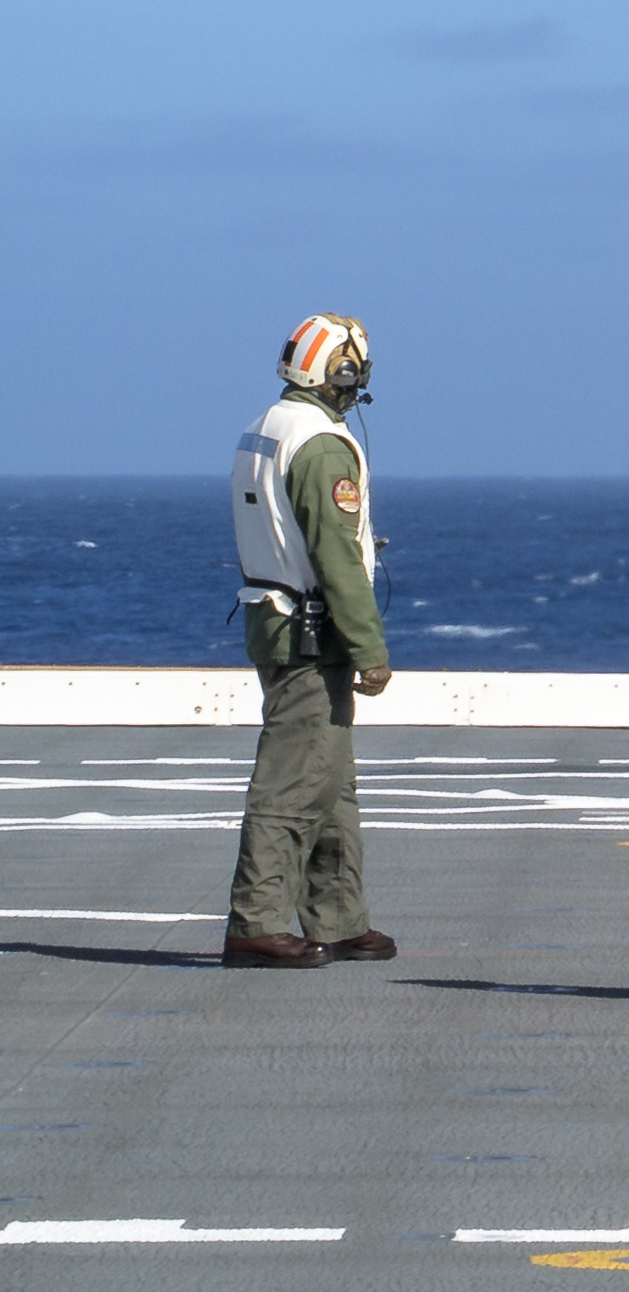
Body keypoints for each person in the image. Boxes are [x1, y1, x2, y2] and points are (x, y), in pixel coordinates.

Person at [223, 313, 397, 967]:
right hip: (309, 630)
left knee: (329, 781)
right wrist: (369, 649)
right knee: (294, 781)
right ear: (340, 371)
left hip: (273, 615)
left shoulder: (265, 427)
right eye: (356, 369)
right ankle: (256, 922)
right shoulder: (323, 444)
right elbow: (337, 557)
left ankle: (338, 916)